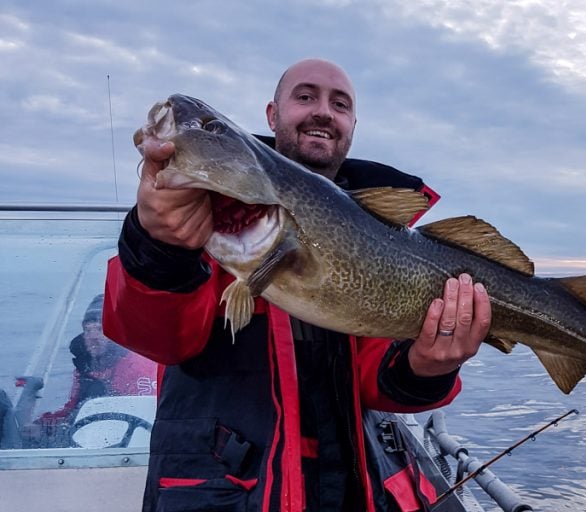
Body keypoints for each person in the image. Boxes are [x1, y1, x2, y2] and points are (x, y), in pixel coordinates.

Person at [103, 58, 491, 511]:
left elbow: (376, 379)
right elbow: (162, 338)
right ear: (272, 115)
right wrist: (161, 249)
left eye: (339, 104)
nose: (323, 111)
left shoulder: (380, 233)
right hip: (232, 493)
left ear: (352, 125)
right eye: (305, 96)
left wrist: (427, 366)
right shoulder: (207, 211)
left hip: (348, 486)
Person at [26, 294, 156, 447]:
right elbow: (72, 409)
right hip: (90, 440)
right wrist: (43, 425)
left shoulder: (137, 367)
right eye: (88, 330)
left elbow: (146, 414)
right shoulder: (85, 369)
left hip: (128, 445)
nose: (93, 337)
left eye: (100, 329)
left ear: (116, 332)